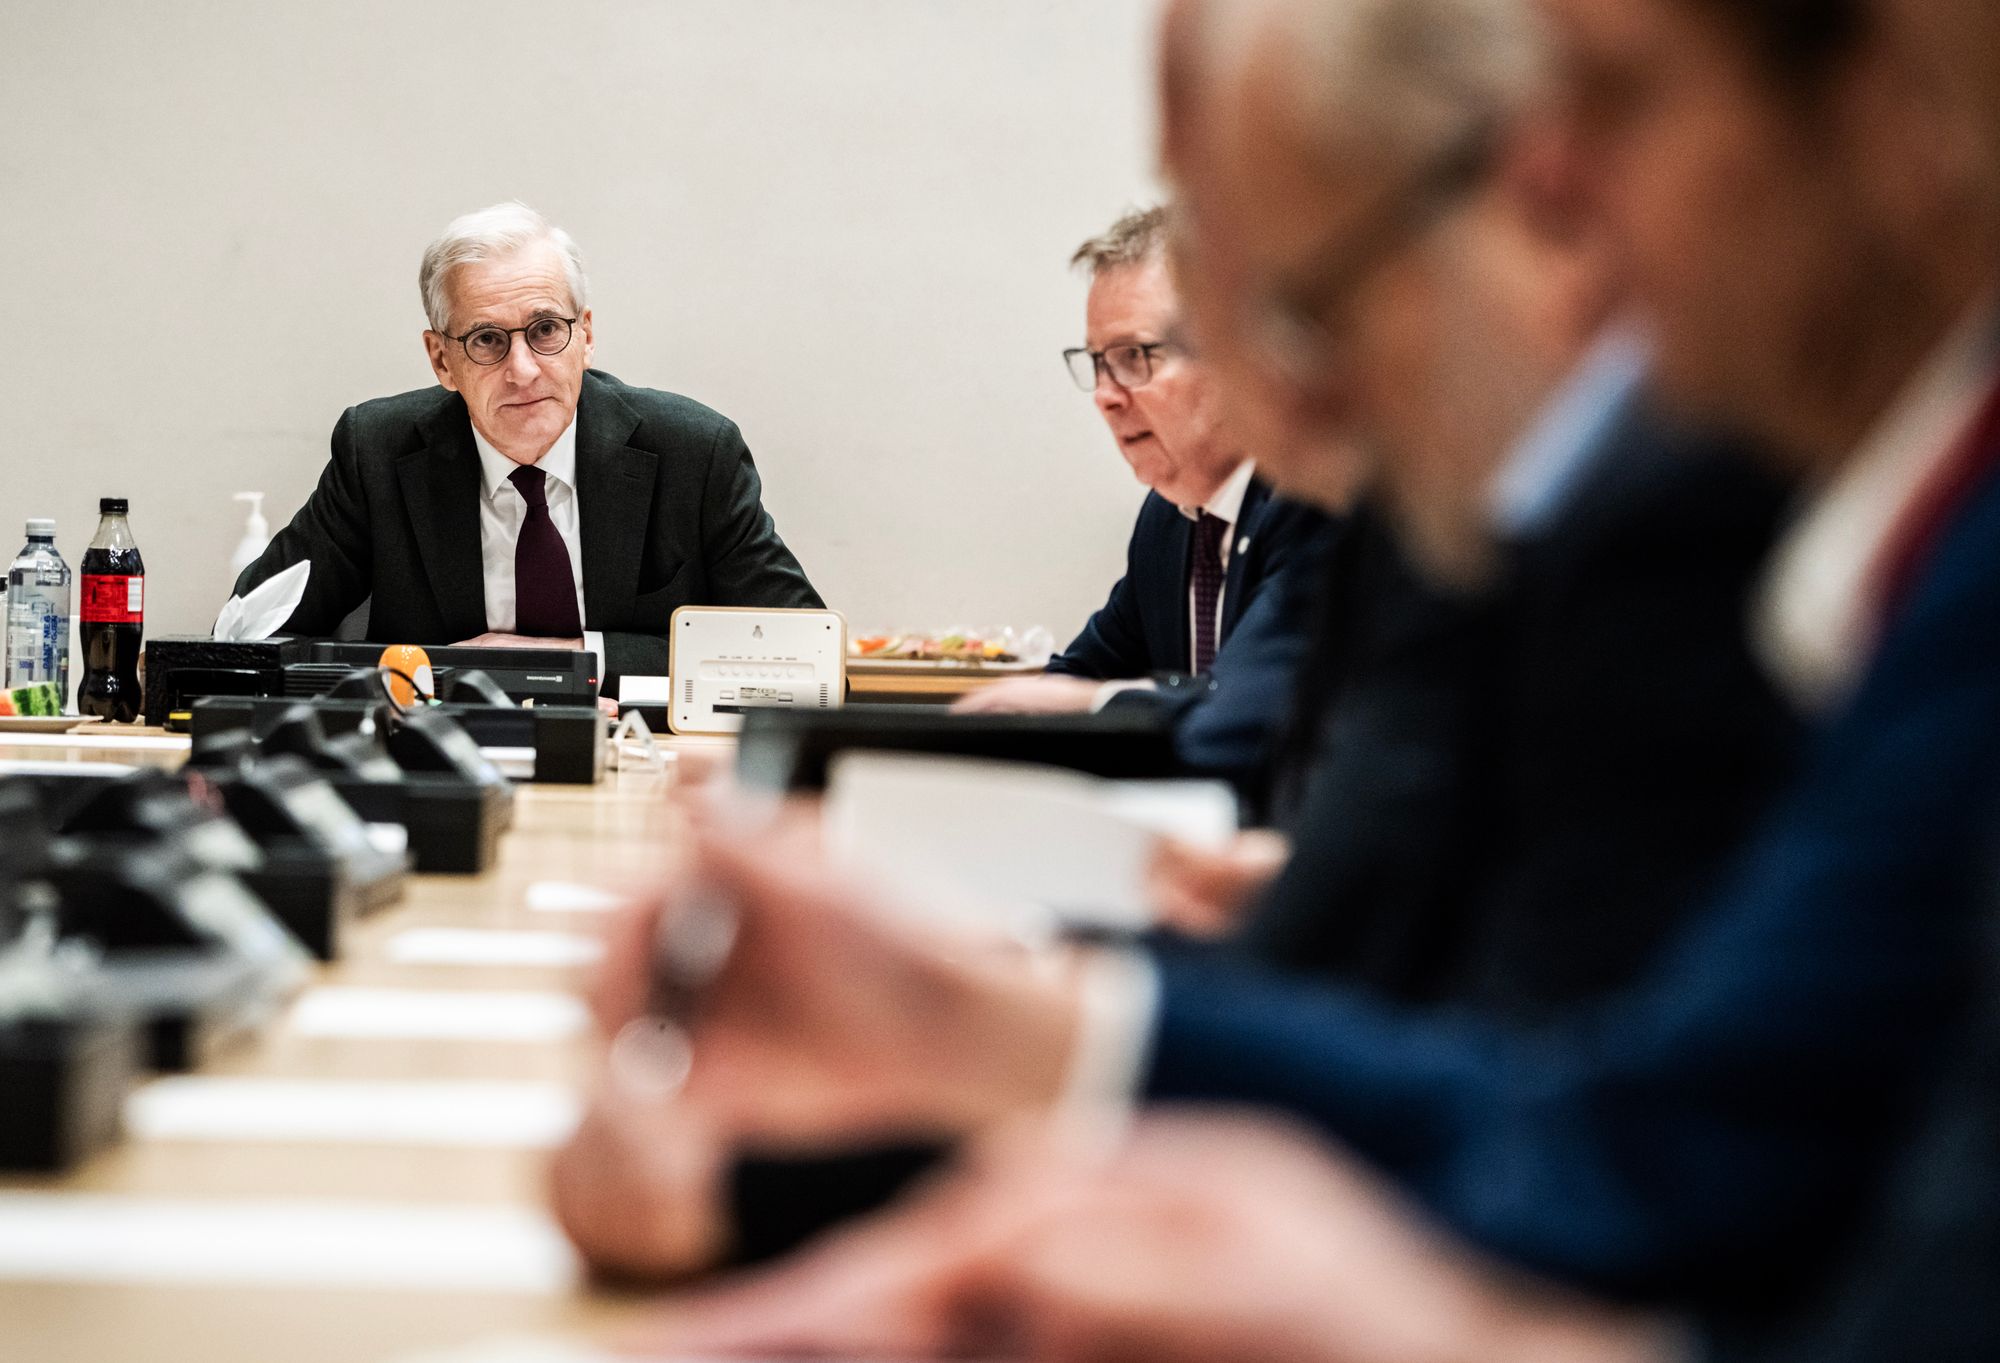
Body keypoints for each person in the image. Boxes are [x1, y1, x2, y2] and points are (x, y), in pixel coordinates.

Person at [231, 201, 822, 696]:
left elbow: (804, 658)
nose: (523, 371)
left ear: (584, 336)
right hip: (441, 767)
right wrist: (444, 673)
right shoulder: (379, 453)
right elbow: (248, 641)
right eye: (486, 339)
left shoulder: (693, 452)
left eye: (545, 331)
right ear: (442, 359)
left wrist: (571, 658)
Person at [953, 207, 1336, 782]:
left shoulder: (1313, 502)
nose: (1104, 396)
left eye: (1134, 358)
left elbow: (1249, 710)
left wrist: (1096, 705)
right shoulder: (1168, 521)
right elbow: (1080, 674)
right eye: (1097, 364)